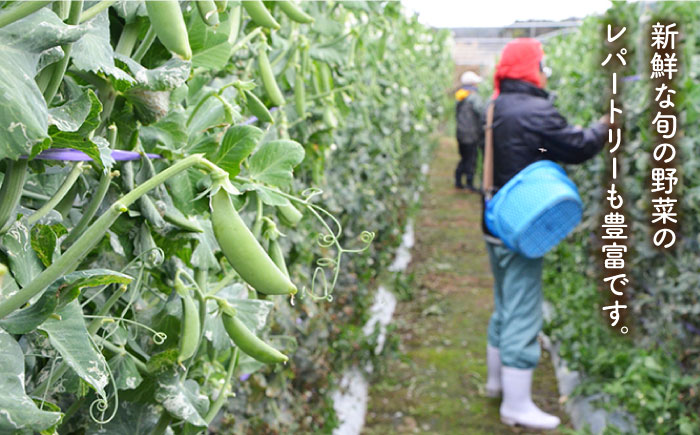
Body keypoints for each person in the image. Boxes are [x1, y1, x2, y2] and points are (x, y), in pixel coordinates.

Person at [481, 38, 609, 430]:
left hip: (495, 221)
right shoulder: (535, 110)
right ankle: (516, 405)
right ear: (530, 67)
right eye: (541, 63)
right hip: (523, 224)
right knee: (523, 311)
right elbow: (578, 146)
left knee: (505, 304)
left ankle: (496, 384)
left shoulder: (496, 104)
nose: (545, 69)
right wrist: (605, 126)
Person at [454, 71, 484, 191]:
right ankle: (469, 184)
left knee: (464, 157)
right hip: (471, 134)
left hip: (461, 133)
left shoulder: (460, 96)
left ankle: (458, 180)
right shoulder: (474, 97)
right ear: (472, 83)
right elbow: (482, 112)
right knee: (471, 159)